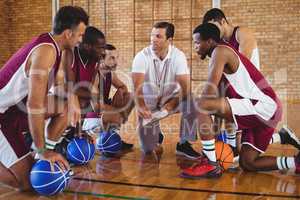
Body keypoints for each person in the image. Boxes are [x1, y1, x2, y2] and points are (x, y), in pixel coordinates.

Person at [181, 23, 300, 178]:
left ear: (209, 41)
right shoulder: (222, 53)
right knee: (248, 163)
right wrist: (212, 136)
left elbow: (207, 96)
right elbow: (216, 101)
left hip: (262, 105)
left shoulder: (220, 51)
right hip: (265, 107)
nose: (195, 47)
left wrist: (209, 145)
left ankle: (210, 164)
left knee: (199, 104)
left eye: (197, 42)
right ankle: (295, 163)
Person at [0, 6, 88, 190]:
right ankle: (41, 151)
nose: (81, 40)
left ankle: (39, 154)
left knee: (64, 107)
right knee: (25, 184)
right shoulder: (46, 52)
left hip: (12, 111)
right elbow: (34, 105)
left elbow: (59, 83)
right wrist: (43, 150)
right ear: (68, 33)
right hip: (2, 115)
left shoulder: (54, 48)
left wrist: (72, 98)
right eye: (80, 35)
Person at [202, 8, 300, 153]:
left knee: (235, 132)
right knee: (218, 110)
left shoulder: (241, 33)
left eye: (213, 26)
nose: (211, 31)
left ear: (222, 21)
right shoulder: (220, 44)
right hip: (236, 89)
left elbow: (243, 63)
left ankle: (231, 149)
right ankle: (281, 137)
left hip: (251, 89)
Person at [132, 21, 200, 159]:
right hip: (149, 104)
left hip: (171, 100)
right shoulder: (141, 56)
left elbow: (186, 88)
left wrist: (171, 105)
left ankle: (183, 144)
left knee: (192, 101)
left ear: (169, 40)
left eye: (158, 36)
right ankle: (157, 135)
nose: (153, 39)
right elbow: (137, 88)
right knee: (148, 150)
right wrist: (142, 107)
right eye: (152, 35)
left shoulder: (178, 56)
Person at [83, 43, 134, 152]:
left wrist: (120, 92)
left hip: (101, 115)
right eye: (112, 58)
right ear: (101, 59)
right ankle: (105, 137)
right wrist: (117, 112)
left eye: (116, 58)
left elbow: (123, 87)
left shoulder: (110, 74)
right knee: (117, 115)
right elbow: (97, 107)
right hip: (88, 118)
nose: (115, 61)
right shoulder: (95, 75)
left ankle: (111, 136)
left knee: (130, 96)